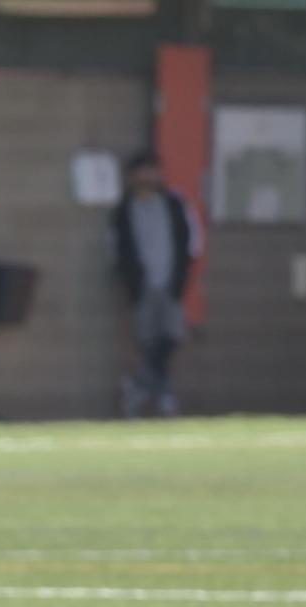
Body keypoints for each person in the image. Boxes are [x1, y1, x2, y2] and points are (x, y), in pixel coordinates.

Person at [111, 150, 201, 418]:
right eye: (142, 171)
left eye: (152, 170)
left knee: (171, 336)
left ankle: (139, 385)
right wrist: (131, 282)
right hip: (142, 287)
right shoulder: (124, 211)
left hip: (170, 284)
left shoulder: (175, 205)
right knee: (147, 340)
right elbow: (117, 251)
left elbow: (192, 242)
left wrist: (181, 278)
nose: (147, 177)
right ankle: (161, 394)